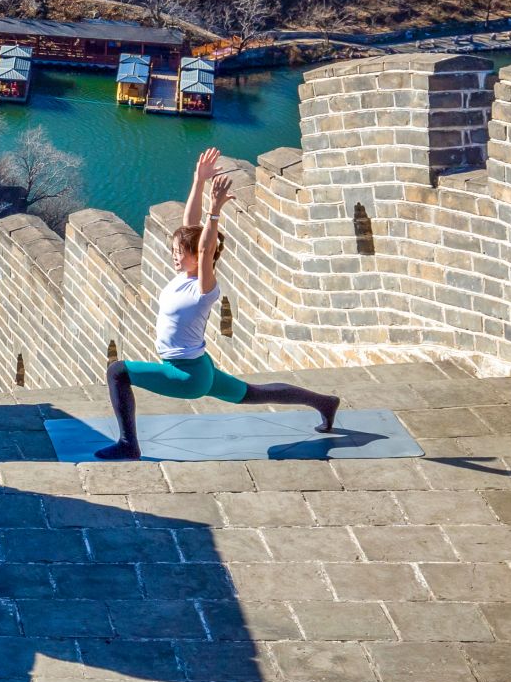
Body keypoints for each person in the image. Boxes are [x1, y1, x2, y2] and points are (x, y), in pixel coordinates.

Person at [93, 146, 341, 460]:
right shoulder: (186, 274)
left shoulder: (203, 287)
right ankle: (324, 402)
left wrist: (215, 212)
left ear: (198, 257)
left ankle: (129, 445)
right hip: (201, 366)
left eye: (179, 253)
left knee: (118, 372)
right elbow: (190, 226)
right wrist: (199, 181)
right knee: (255, 393)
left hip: (186, 375)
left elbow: (206, 246)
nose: (174, 256)